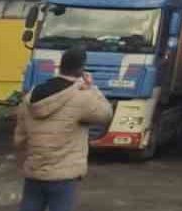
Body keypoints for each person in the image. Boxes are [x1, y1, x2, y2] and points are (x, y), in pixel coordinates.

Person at [14, 47, 113, 211]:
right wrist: (92, 88)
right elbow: (106, 114)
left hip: (34, 172)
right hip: (63, 176)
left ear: (60, 66)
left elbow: (19, 138)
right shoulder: (82, 97)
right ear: (81, 70)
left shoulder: (30, 96)